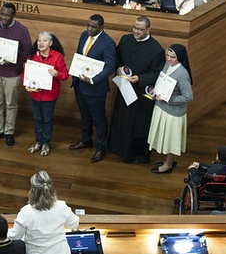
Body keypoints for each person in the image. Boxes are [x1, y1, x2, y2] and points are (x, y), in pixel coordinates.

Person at [107, 16, 165, 163]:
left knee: (136, 124)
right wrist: (118, 69)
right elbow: (117, 57)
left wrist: (140, 78)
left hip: (140, 94)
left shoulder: (156, 49)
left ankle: (134, 154)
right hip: (124, 89)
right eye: (134, 28)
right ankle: (117, 148)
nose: (136, 31)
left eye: (140, 29)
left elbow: (157, 72)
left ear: (148, 30)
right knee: (121, 119)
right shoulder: (126, 39)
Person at [8, 171, 79, 254]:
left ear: (32, 191)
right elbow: (74, 224)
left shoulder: (26, 212)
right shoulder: (61, 206)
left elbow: (15, 236)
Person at [69, 14, 116, 163]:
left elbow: (110, 67)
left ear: (101, 28)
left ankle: (101, 148)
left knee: (99, 119)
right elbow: (79, 55)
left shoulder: (108, 43)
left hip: (95, 88)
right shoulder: (84, 35)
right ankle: (86, 139)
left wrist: (93, 79)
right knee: (85, 115)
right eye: (88, 25)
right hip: (80, 84)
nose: (89, 29)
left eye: (93, 27)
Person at [0, 3, 32, 147]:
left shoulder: (22, 30)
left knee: (11, 104)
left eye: (7, 15)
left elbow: (27, 52)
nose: (3, 17)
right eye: (2, 14)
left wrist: (11, 62)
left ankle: (9, 132)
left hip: (12, 74)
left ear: (13, 15)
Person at [148, 43, 194, 174]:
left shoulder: (182, 74)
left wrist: (169, 99)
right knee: (167, 137)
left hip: (172, 113)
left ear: (179, 57)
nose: (168, 59)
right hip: (162, 107)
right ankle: (171, 160)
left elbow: (188, 96)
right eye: (167, 55)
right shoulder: (168, 65)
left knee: (169, 139)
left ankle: (167, 165)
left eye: (172, 57)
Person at [24, 32, 68, 157]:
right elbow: (25, 72)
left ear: (50, 43)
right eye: (39, 40)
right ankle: (38, 141)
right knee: (37, 118)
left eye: (44, 41)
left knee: (47, 119)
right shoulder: (32, 56)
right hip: (35, 94)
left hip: (50, 95)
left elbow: (65, 75)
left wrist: (56, 74)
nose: (41, 43)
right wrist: (26, 84)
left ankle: (46, 143)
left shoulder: (57, 57)